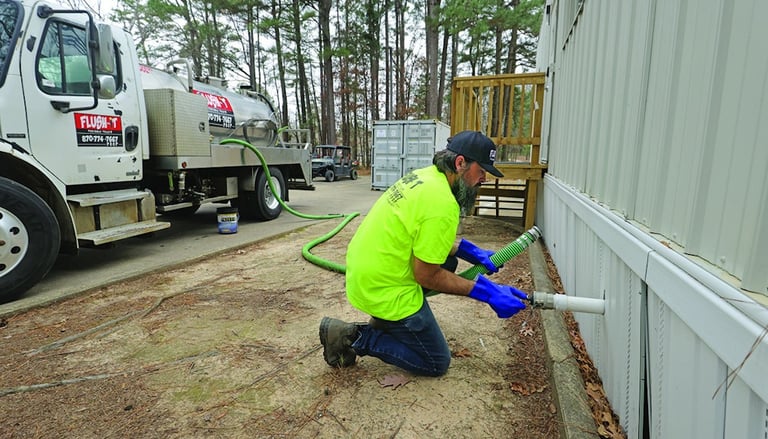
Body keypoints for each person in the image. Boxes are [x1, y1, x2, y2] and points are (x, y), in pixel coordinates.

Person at [319, 130, 529, 377]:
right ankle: (352, 336)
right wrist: (487, 292)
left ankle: (390, 322)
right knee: (435, 361)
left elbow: (423, 235)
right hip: (382, 286)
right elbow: (427, 276)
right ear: (460, 163)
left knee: (448, 262)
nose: (483, 179)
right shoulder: (443, 204)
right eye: (481, 171)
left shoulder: (426, 177)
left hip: (367, 269)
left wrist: (471, 252)